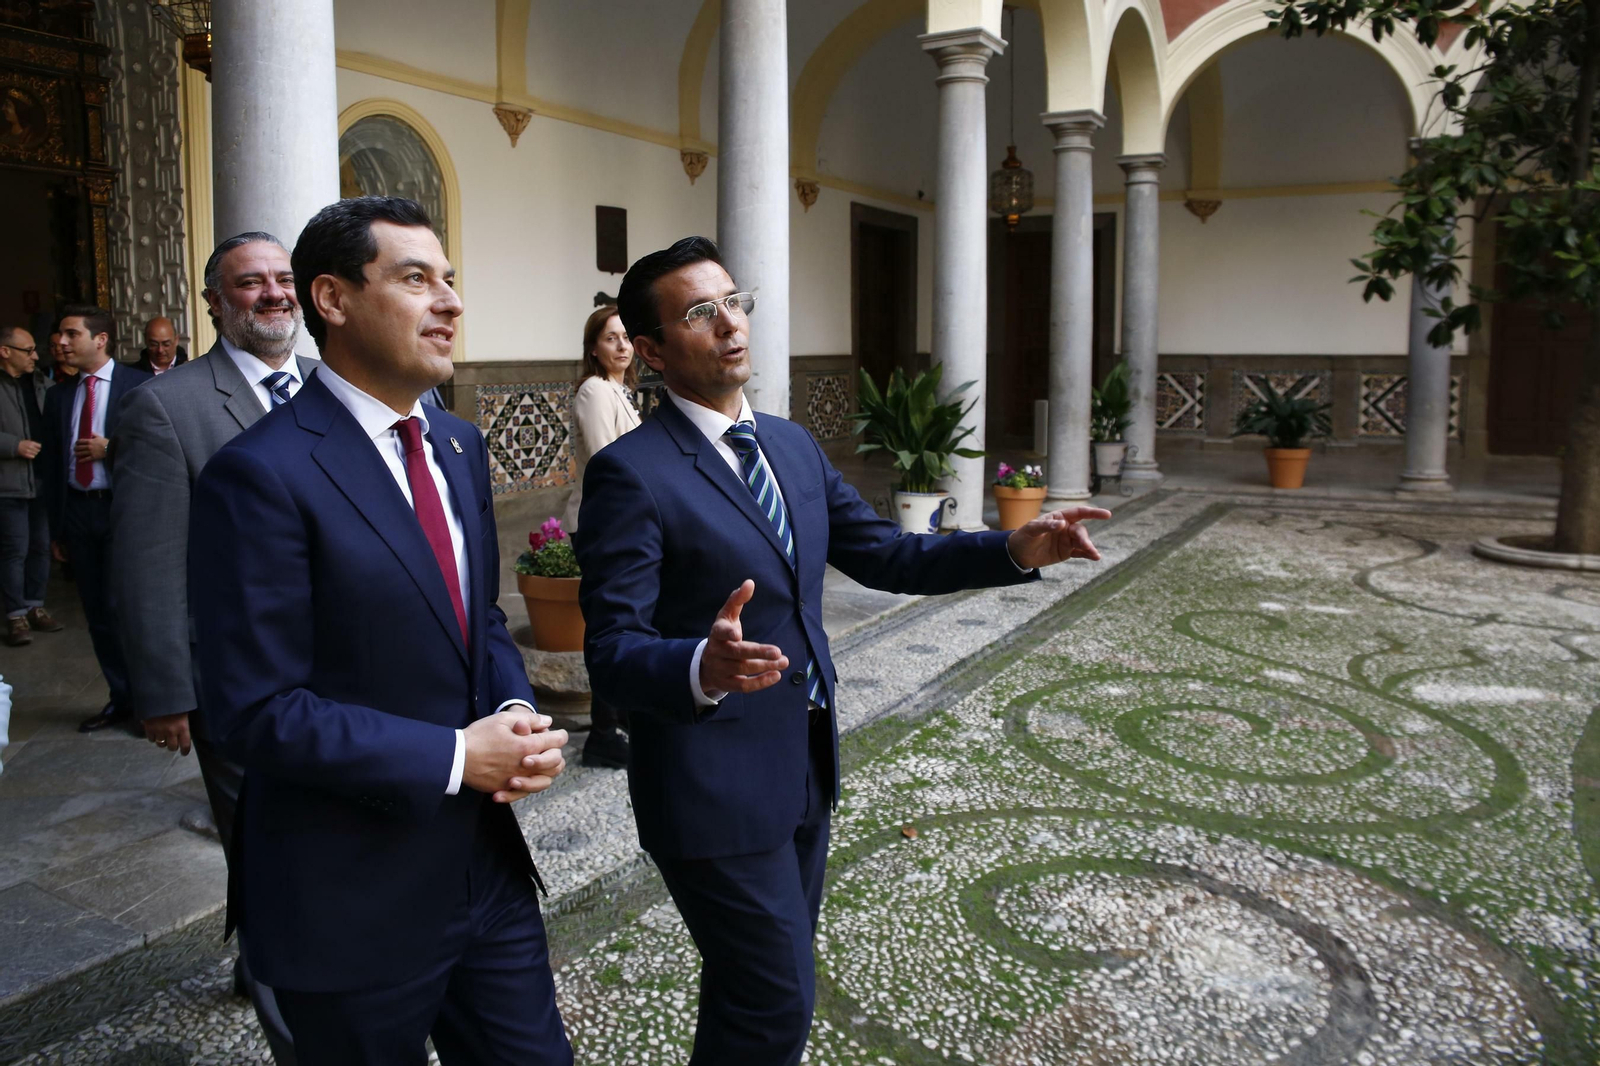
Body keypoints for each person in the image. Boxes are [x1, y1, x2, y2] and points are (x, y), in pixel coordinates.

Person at [576, 236, 1111, 1066]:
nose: (730, 324)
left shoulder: (789, 445)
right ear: (650, 350)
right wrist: (698, 666)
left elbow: (888, 555)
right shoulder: (631, 473)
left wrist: (1012, 549)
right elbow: (612, 649)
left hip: (803, 765)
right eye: (700, 313)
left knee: (750, 992)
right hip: (710, 788)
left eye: (733, 302)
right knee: (775, 1002)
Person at [190, 196, 572, 1066]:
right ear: (332, 299)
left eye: (450, 279)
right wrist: (456, 756)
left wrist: (515, 713)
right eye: (415, 279)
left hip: (485, 874)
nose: (450, 302)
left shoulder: (459, 446)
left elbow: (479, 624)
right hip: (348, 896)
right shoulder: (260, 474)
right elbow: (256, 711)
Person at [111, 231, 316, 1065]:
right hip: (236, 680)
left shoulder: (327, 385)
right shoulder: (168, 407)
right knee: (265, 842)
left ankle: (267, 957)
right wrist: (165, 692)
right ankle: (293, 1019)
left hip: (334, 668)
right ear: (214, 303)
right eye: (250, 283)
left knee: (306, 835)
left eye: (283, 279)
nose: (273, 294)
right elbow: (147, 562)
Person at [40, 307, 150, 732]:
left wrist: (112, 448)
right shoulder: (58, 395)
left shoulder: (139, 386)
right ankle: (120, 700)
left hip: (123, 511)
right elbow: (52, 464)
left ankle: (149, 703)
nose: (61, 342)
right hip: (78, 511)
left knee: (129, 610)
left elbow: (159, 449)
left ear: (100, 339)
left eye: (72, 334)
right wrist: (56, 528)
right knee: (97, 613)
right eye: (60, 334)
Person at [562, 304, 640, 769]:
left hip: (621, 522)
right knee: (610, 623)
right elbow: (606, 460)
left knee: (625, 619)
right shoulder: (594, 390)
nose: (622, 346)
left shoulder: (620, 390)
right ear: (593, 348)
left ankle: (620, 715)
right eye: (611, 338)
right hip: (601, 523)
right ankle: (603, 733)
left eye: (626, 337)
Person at [0, 326, 60, 646]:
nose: (35, 356)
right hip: (8, 483)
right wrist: (14, 446)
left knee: (40, 547)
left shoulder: (42, 384)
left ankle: (35, 605)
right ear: (5, 351)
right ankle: (15, 615)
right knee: (15, 551)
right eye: (28, 350)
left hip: (42, 479)